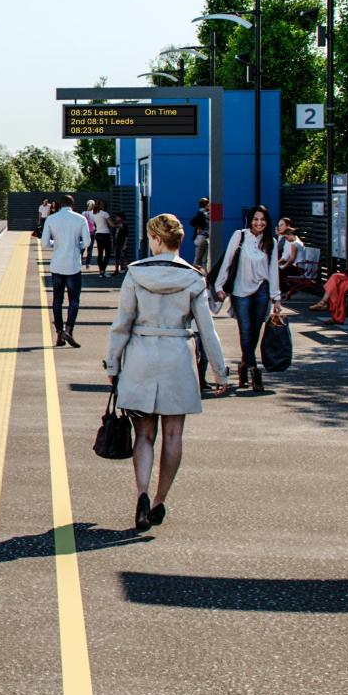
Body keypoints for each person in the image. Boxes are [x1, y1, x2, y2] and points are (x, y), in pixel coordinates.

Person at [103, 212, 228, 532]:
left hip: (141, 358)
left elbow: (122, 325)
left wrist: (112, 363)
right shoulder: (193, 278)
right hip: (178, 358)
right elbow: (207, 330)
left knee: (145, 434)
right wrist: (221, 372)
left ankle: (141, 494)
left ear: (157, 240)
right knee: (173, 435)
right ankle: (159, 500)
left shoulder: (135, 274)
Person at [211, 204, 283, 392]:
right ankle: (253, 370)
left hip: (262, 289)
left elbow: (273, 270)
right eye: (255, 219)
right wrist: (219, 286)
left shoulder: (271, 242)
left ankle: (244, 366)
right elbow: (227, 261)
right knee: (245, 329)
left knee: (256, 330)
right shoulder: (239, 236)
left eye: (263, 220)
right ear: (250, 220)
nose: (259, 223)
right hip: (240, 290)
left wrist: (276, 298)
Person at [40, 193, 91, 348]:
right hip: (73, 265)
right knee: (74, 300)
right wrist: (77, 246)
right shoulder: (80, 219)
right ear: (72, 205)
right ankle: (69, 329)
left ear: (59, 205)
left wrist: (56, 244)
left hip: (57, 265)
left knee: (57, 300)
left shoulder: (51, 219)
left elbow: (44, 243)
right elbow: (87, 242)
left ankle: (59, 334)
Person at [87, 202, 112, 276]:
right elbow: (111, 224)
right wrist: (116, 224)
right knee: (108, 253)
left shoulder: (94, 214)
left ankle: (101, 271)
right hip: (106, 234)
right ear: (103, 206)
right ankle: (103, 270)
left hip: (98, 234)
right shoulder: (105, 213)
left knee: (100, 253)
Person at [189, 197, 211, 270]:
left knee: (202, 259)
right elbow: (192, 222)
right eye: (208, 204)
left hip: (204, 237)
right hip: (202, 237)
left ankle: (203, 274)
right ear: (206, 205)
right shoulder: (203, 214)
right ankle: (196, 273)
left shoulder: (204, 214)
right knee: (199, 258)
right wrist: (199, 227)